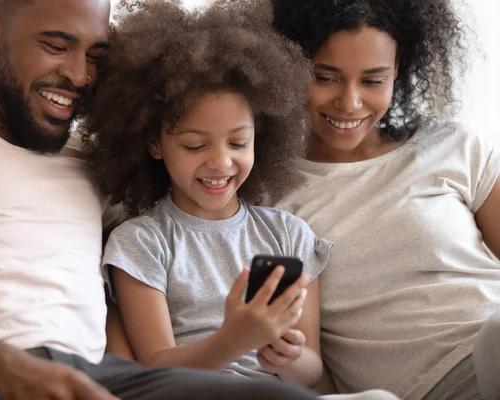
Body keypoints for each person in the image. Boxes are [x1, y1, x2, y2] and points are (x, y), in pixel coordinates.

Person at [0, 0, 326, 399]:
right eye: (56, 45)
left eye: (95, 56)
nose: (81, 75)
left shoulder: (94, 159)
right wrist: (3, 365)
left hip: (94, 378)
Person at [83, 2, 396, 399]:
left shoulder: (288, 234)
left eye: (238, 142)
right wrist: (232, 340)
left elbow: (310, 369)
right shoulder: (141, 242)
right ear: (154, 144)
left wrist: (287, 356)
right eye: (195, 145)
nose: (220, 162)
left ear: (261, 137)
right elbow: (156, 368)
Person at [269, 0, 500, 399]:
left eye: (373, 81)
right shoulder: (271, 199)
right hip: (436, 386)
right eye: (325, 77)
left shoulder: (455, 146)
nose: (350, 102)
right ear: (288, 67)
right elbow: (310, 373)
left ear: (398, 72)